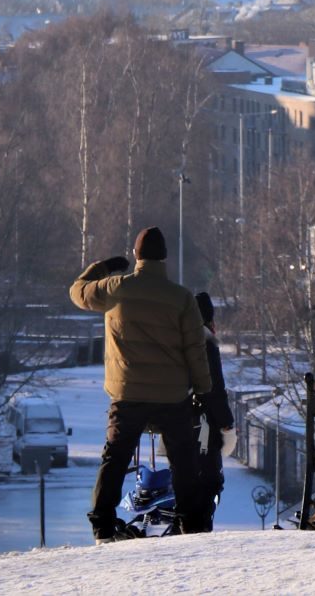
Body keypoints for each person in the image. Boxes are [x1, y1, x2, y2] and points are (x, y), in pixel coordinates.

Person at [70, 226, 213, 541]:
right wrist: (203, 388)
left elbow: (78, 291)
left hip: (127, 393)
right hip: (172, 395)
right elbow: (195, 349)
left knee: (115, 457)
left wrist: (103, 268)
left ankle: (102, 525)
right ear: (164, 259)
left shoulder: (116, 288)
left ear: (136, 256)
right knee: (183, 460)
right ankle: (192, 524)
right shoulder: (181, 298)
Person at [193, 291, 233, 523]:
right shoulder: (206, 343)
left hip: (178, 423)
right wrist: (227, 424)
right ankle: (199, 529)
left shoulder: (179, 339)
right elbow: (214, 388)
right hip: (203, 427)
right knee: (209, 483)